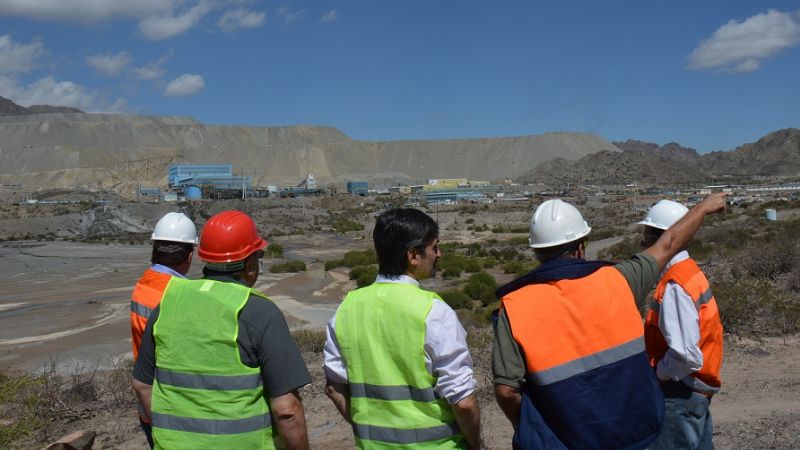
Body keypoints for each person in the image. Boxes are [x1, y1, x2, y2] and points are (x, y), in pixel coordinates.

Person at [492, 193, 726, 450]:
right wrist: (703, 208)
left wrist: (532, 426)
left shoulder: (514, 307)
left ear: (536, 251)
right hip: (632, 433)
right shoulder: (619, 280)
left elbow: (506, 391)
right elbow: (668, 243)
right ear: (581, 246)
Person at [132, 210, 311, 450]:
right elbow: (287, 411)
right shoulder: (259, 311)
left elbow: (143, 385)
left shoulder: (169, 302)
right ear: (249, 264)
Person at [324, 208, 481, 449]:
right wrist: (475, 444)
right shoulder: (434, 312)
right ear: (413, 256)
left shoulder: (346, 309)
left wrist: (366, 429)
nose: (439, 254)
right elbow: (463, 403)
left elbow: (334, 389)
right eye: (434, 247)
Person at [639, 200, 723, 450]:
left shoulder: (676, 284)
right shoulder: (689, 272)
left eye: (646, 237)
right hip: (694, 392)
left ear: (664, 238)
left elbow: (686, 355)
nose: (643, 245)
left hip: (679, 394)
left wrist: (659, 373)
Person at [130, 212, 198, 448]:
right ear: (189, 256)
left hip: (147, 404)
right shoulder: (184, 294)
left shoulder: (142, 284)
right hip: (178, 407)